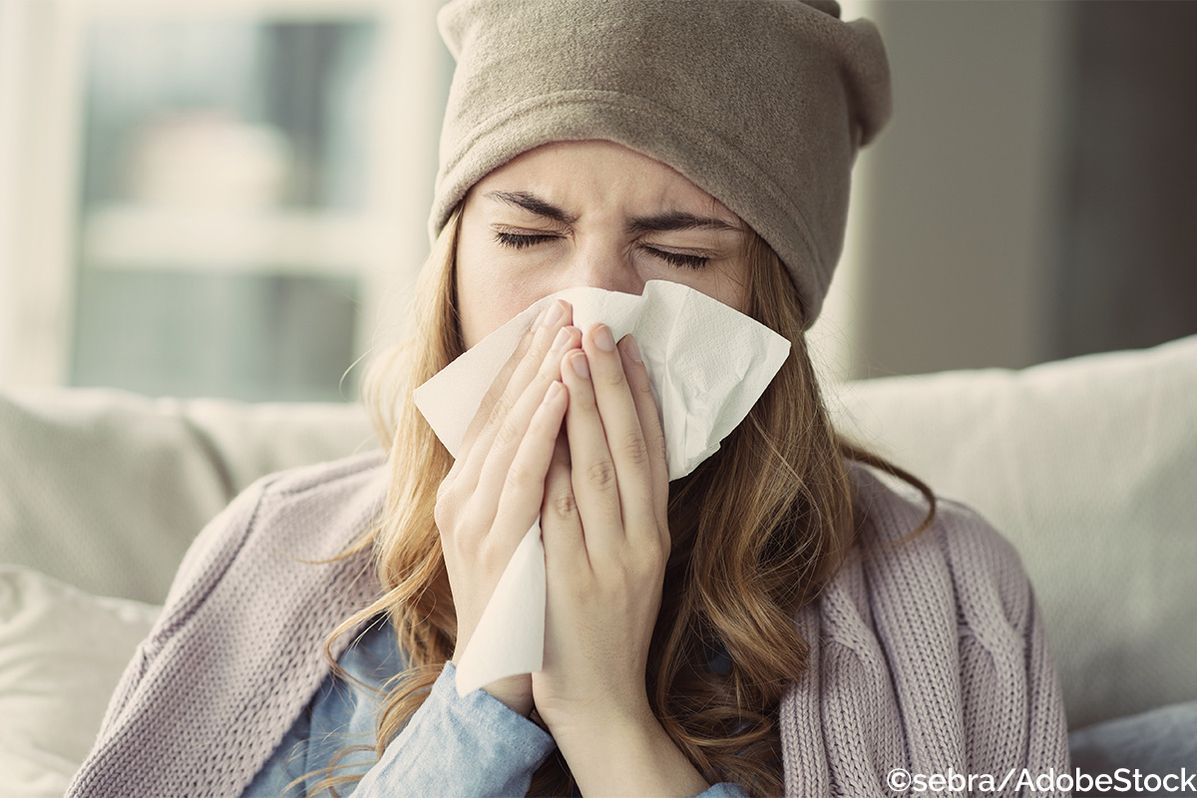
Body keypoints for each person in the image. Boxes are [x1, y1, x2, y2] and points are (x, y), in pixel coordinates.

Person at [66, 1, 1073, 796]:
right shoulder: (274, 553)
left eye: (681, 254)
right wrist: (484, 690)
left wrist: (604, 715)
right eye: (525, 236)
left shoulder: (956, 599)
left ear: (776, 306)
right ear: (452, 261)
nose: (589, 316)